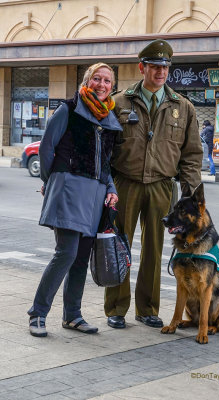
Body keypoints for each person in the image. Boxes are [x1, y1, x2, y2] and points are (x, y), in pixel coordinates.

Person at [104, 39, 203, 329]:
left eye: (165, 67)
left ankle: (147, 307)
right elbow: (106, 149)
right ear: (142, 68)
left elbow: (192, 154)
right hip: (124, 183)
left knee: (154, 248)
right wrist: (105, 186)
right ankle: (116, 308)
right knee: (118, 244)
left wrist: (193, 197)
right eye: (155, 67)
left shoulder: (183, 107)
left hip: (162, 185)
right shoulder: (119, 101)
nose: (160, 72)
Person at [28, 63, 122, 337]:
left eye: (107, 80)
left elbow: (106, 163)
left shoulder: (109, 119)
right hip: (69, 191)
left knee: (81, 258)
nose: (102, 85)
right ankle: (38, 313)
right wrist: (51, 181)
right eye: (97, 79)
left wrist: (111, 188)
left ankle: (72, 316)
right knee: (65, 254)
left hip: (94, 198)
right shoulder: (67, 109)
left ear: (111, 86)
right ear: (87, 80)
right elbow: (47, 149)